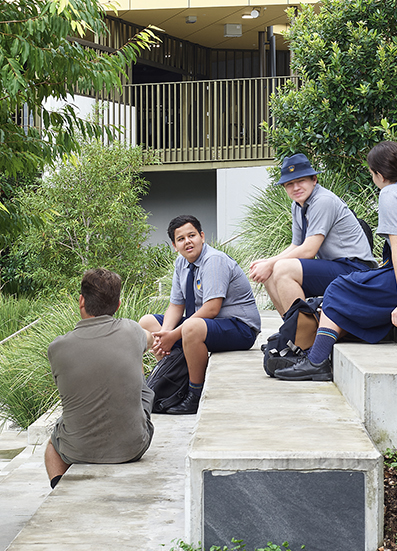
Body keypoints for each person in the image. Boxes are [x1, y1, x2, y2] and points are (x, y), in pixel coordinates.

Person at [274, 140, 397, 381]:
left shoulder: (391, 193)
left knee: (339, 288)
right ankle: (315, 350)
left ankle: (316, 359)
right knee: (355, 289)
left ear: (379, 175)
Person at [138, 214, 261, 415]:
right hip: (209, 326)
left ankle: (194, 394)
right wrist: (164, 335)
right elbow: (176, 305)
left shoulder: (214, 260)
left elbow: (212, 308)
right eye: (181, 239)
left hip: (239, 327)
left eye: (192, 235)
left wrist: (173, 336)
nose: (188, 241)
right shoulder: (181, 263)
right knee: (148, 322)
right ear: (174, 245)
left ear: (202, 236)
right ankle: (174, 379)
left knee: (190, 328)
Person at [44, 267, 152, 487]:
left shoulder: (57, 348)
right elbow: (149, 340)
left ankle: (60, 490)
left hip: (78, 450)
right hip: (133, 447)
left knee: (52, 445)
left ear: (81, 301)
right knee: (139, 376)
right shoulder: (132, 330)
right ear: (118, 305)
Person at [248, 152, 375, 314]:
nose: (296, 187)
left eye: (301, 181)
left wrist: (271, 263)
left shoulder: (323, 200)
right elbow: (296, 245)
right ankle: (291, 330)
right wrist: (268, 263)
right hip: (335, 267)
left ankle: (303, 331)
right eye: (289, 184)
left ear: (314, 180)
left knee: (283, 268)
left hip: (355, 269)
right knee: (271, 273)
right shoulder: (298, 205)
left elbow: (308, 251)